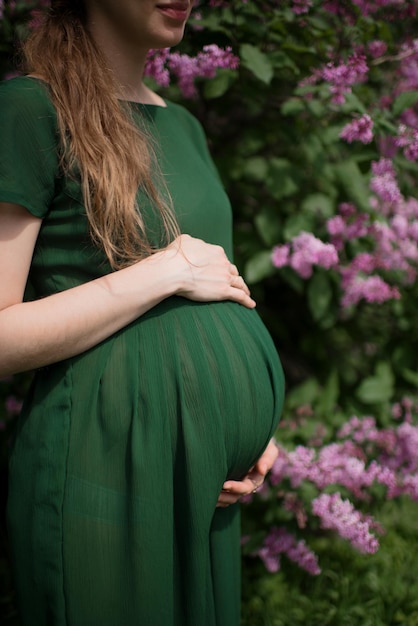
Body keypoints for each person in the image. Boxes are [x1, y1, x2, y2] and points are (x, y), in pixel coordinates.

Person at [0, 1, 285, 624]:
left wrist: (252, 428)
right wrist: (161, 272)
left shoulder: (182, 125)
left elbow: (220, 294)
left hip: (205, 486)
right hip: (103, 475)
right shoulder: (29, 109)